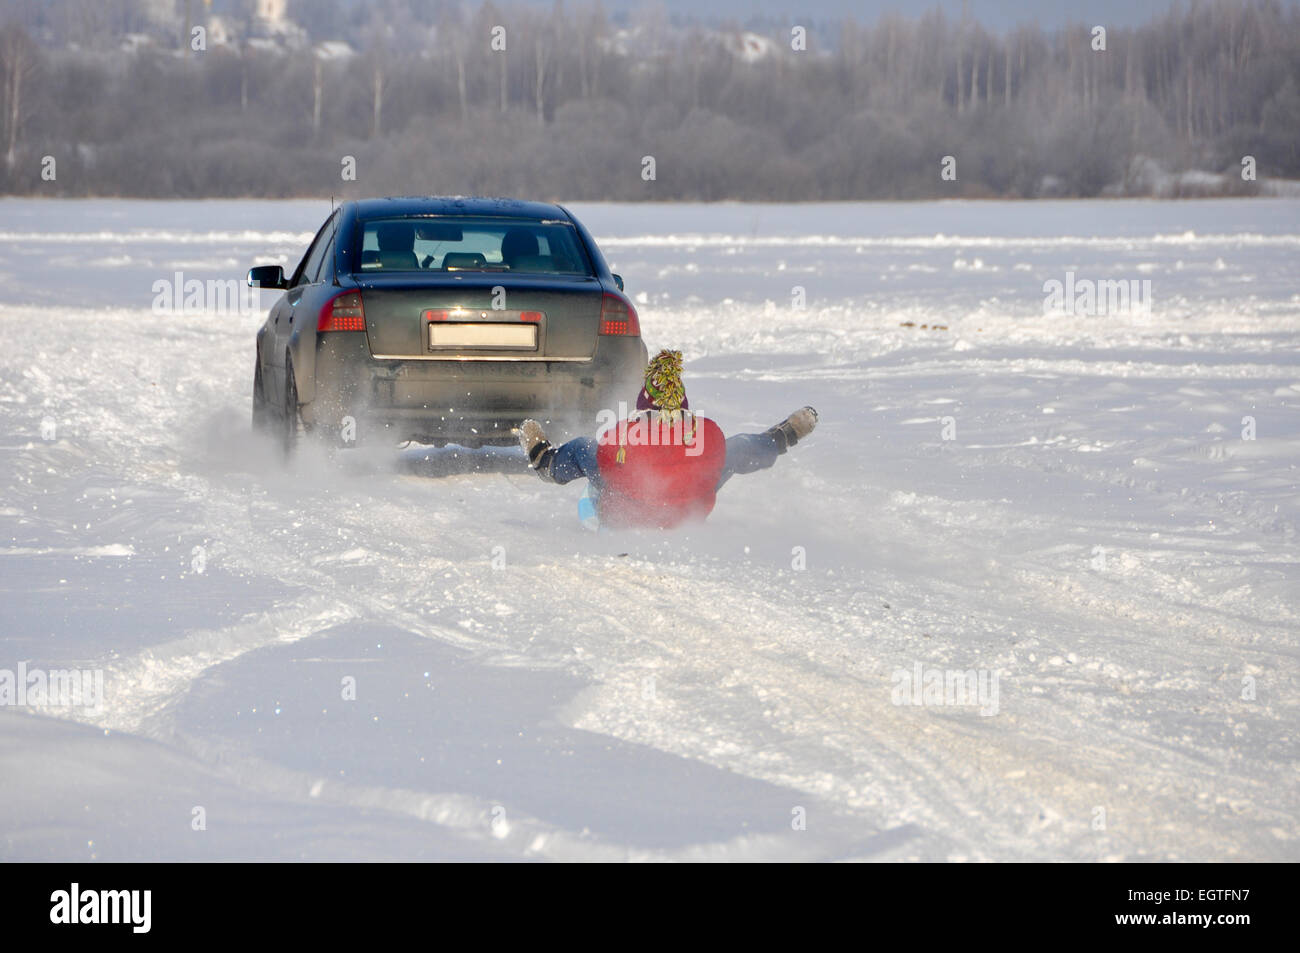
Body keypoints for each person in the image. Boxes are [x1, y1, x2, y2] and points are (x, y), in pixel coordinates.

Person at [515, 349, 817, 530]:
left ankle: (548, 463)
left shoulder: (624, 435)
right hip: (688, 513)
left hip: (630, 517)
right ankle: (781, 438)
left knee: (585, 448)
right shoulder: (706, 433)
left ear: (644, 408)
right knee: (735, 448)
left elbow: (608, 467)